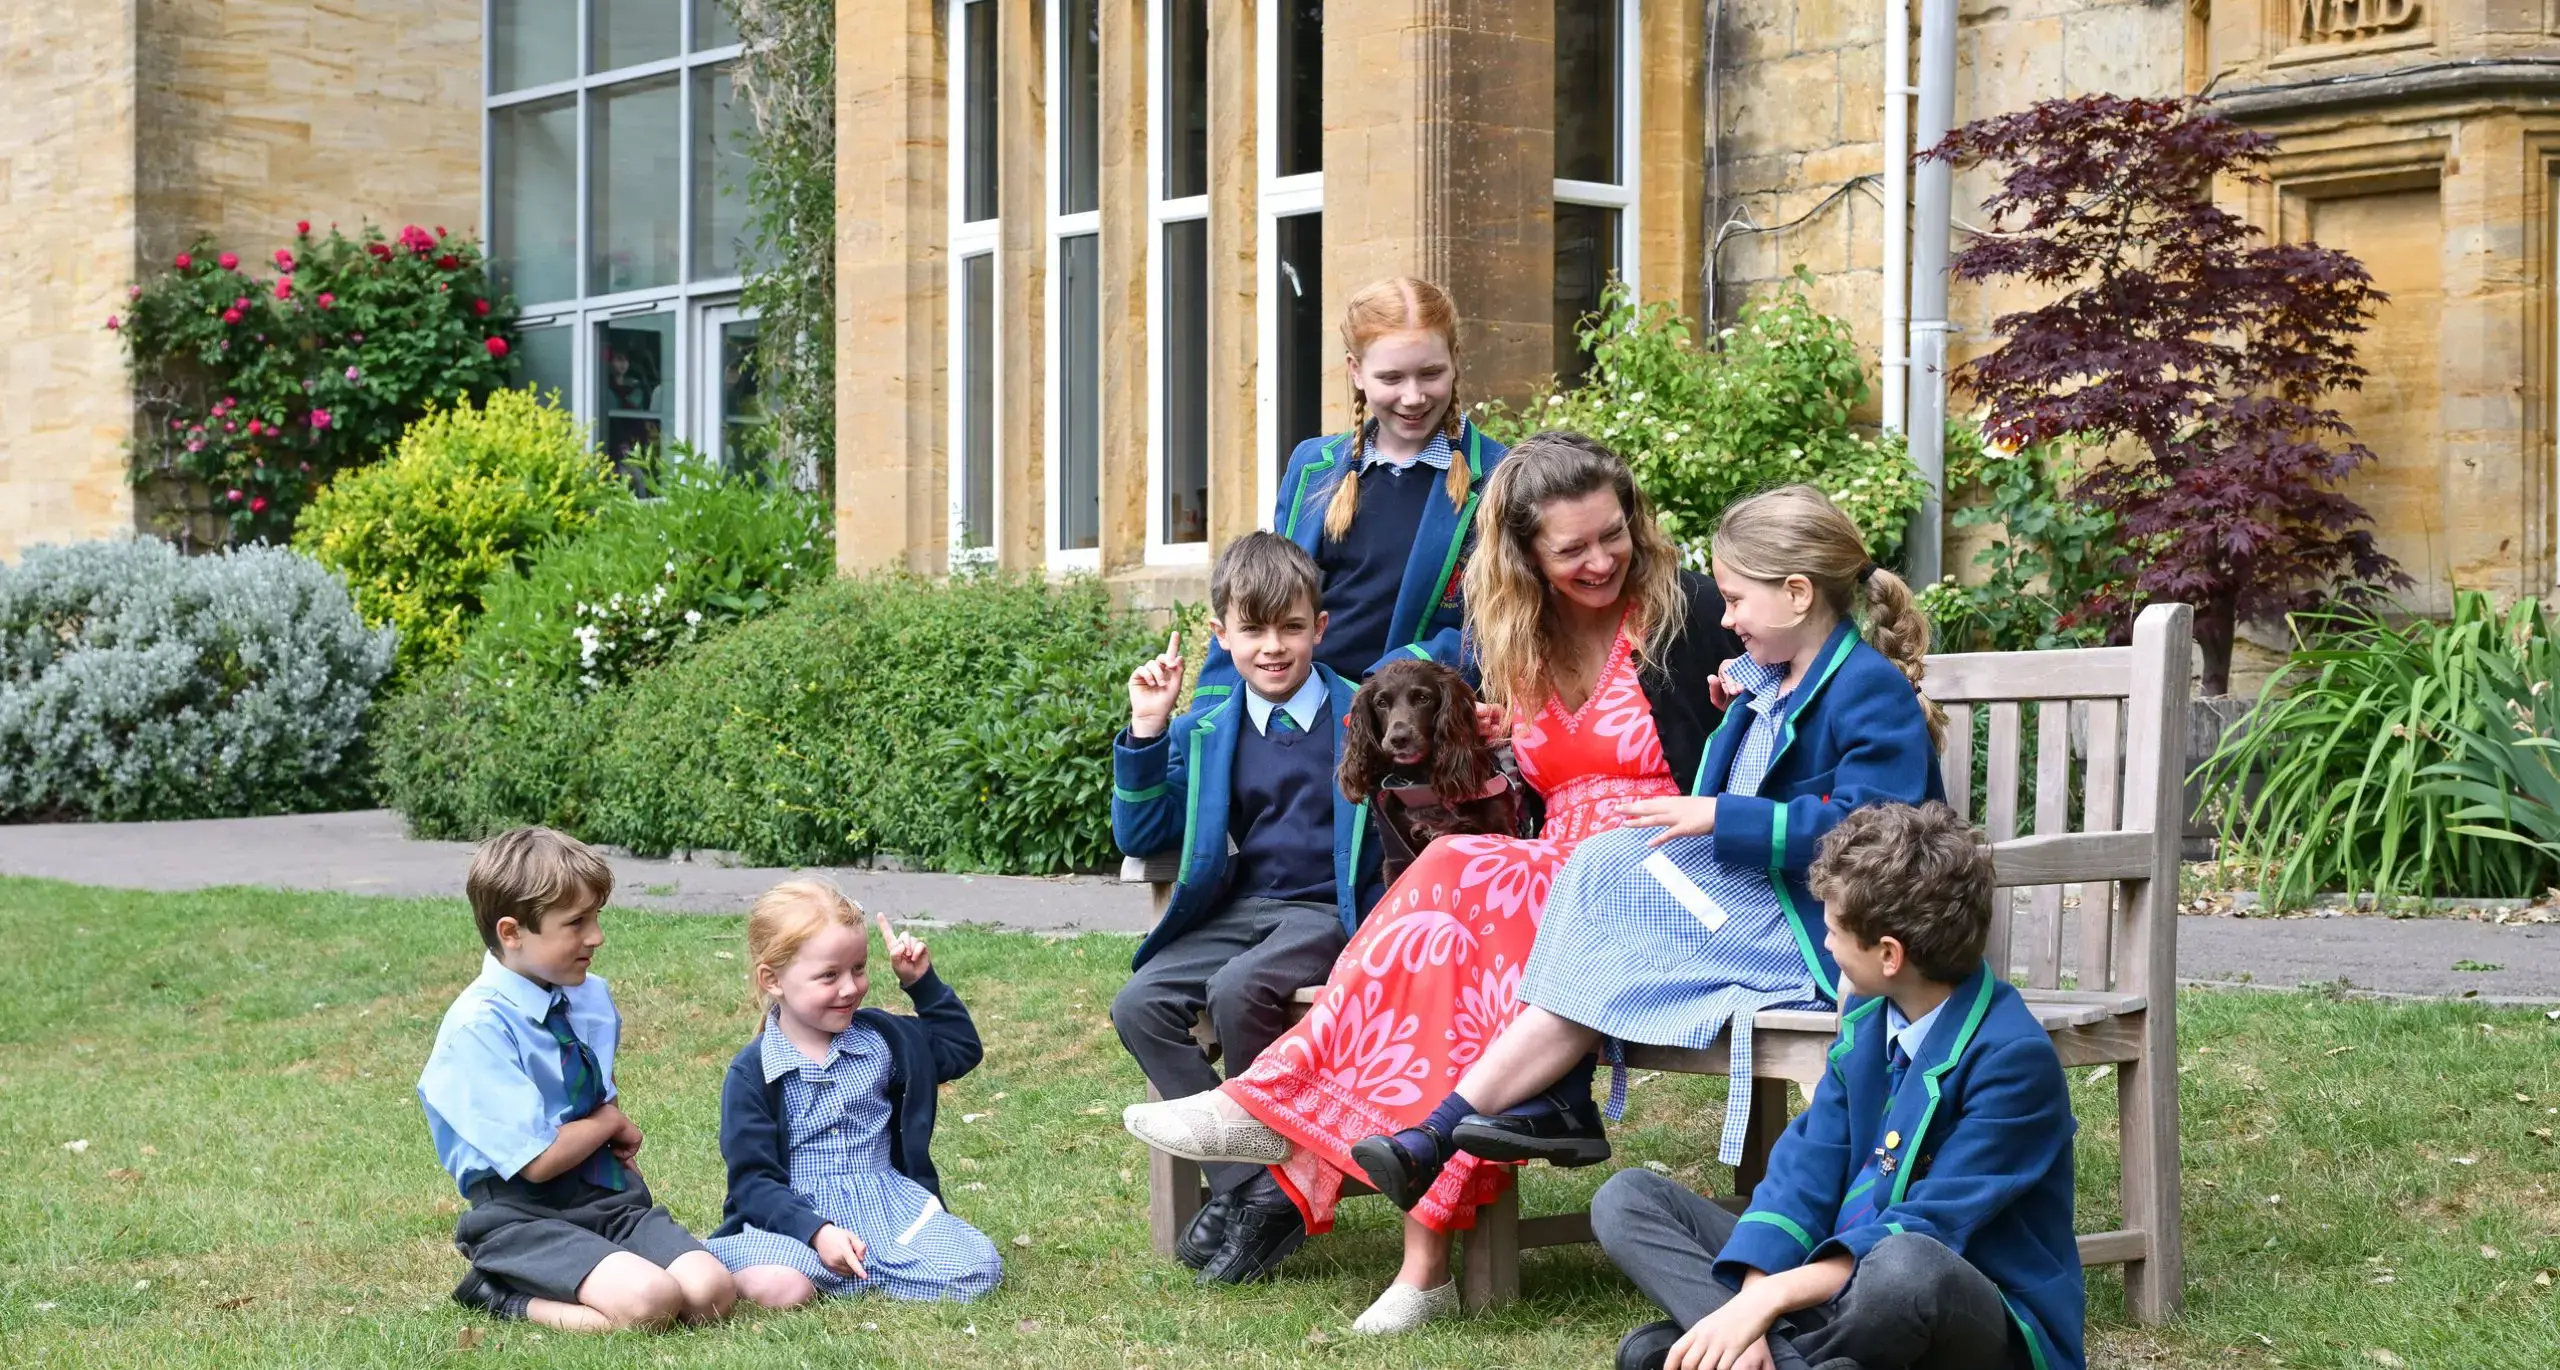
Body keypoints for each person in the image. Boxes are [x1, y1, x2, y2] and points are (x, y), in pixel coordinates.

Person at [1122, 432, 1741, 1333]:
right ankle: (1391, 1229)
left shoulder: (1684, 614)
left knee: (1469, 913)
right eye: (1571, 550)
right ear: (1525, 554)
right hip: (1556, 872)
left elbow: (1784, 695)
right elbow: (1518, 790)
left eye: (1613, 535)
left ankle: (1304, 1147)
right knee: (1453, 926)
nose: (1602, 560)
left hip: (1667, 875)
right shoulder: (1510, 635)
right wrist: (1500, 747)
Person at [1352, 484, 1950, 1203]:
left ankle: (1467, 1124)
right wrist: (1741, 716)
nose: (1724, 619)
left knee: (1603, 887)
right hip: (1760, 914)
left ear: (1797, 594)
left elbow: (1877, 832)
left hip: (1825, 934)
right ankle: (1444, 1133)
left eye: (1734, 602)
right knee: (1602, 861)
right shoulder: (1776, 681)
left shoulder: (1866, 688)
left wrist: (1720, 814)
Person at [1591, 802, 2083, 1370]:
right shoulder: (1869, 1024)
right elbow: (1805, 1174)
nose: (1824, 944)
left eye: (1832, 930)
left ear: (1889, 955)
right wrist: (1752, 1301)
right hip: (1836, 1292)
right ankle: (1781, 1357)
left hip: (1962, 1309)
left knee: (1903, 1269)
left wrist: (1771, 1299)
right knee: (1628, 1198)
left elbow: (1935, 1228)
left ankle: (1756, 1352)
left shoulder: (2014, 1059)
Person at [1110, 531, 1386, 1285]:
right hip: (1244, 907)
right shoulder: (1206, 728)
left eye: (1291, 627)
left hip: (1329, 911)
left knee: (1239, 989)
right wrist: (1147, 727)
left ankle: (1261, 1196)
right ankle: (1258, 1187)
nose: (1273, 647)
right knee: (1139, 1002)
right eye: (1254, 630)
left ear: (1319, 629)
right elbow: (1143, 832)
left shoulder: (1361, 712)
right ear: (1220, 633)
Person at [417, 827, 738, 1331]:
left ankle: (610, 1268)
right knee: (648, 1306)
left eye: (596, 917)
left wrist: (606, 1125)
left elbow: (590, 1095)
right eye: (576, 923)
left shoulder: (589, 997)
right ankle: (497, 1294)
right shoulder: (477, 1030)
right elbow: (539, 1161)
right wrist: (610, 1121)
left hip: (609, 1202)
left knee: (712, 1294)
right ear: (511, 932)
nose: (596, 937)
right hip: (523, 1217)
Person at [1192, 277, 1510, 704]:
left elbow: (1504, 625)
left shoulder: (1499, 476)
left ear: (1455, 361)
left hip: (1413, 725)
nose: (1413, 396)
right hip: (1304, 717)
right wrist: (1208, 718)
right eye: (1391, 377)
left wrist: (1389, 680)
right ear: (1356, 371)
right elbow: (1258, 589)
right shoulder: (1312, 466)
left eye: (1430, 373)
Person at [708, 880, 1003, 1306]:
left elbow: (961, 1050)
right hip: (795, 1223)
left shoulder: (884, 1039)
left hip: (888, 1209)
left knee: (976, 1269)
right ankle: (773, 1270)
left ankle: (866, 1273)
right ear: (773, 980)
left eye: (859, 968)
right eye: (829, 975)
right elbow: (753, 1182)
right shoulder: (754, 1072)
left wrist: (921, 983)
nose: (850, 988)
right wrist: (817, 1232)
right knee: (785, 1288)